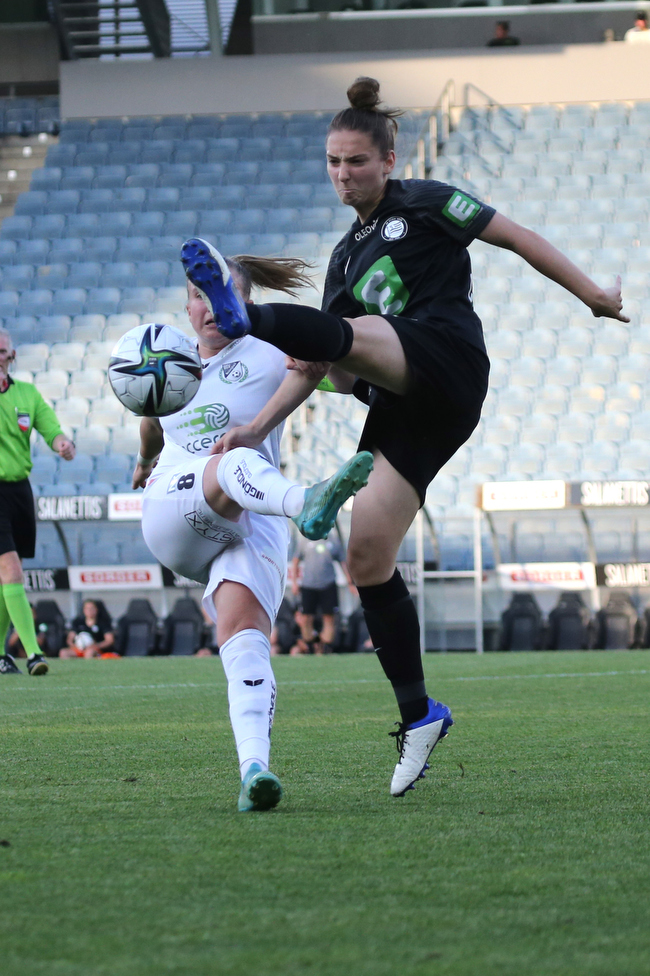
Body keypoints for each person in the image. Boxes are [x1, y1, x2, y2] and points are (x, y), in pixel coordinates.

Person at [180, 76, 628, 799]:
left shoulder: (424, 201)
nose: (342, 174)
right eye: (332, 162)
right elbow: (321, 359)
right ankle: (419, 714)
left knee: (361, 334)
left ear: (389, 160)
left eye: (356, 161)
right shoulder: (342, 259)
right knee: (366, 554)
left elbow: (518, 239)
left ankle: (247, 318)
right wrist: (255, 429)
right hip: (410, 402)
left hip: (447, 358)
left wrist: (594, 297)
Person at [133, 255, 372, 812]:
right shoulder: (171, 358)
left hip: (248, 519)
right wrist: (143, 463)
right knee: (235, 455)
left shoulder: (268, 350)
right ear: (188, 303)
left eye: (222, 297)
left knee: (246, 644)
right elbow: (149, 418)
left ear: (244, 304)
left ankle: (254, 771)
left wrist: (321, 361)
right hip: (173, 511)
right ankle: (305, 502)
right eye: (199, 295)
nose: (209, 307)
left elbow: (347, 375)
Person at [0, 327, 76, 677]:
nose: (0, 356)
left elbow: (50, 428)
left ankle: (1, 655)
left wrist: (62, 443)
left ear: (11, 357)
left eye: (3, 351)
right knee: (11, 568)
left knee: (8, 575)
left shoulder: (27, 394)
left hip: (19, 490)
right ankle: (32, 652)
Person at [291, 530, 355, 653]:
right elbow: (295, 561)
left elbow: (343, 562)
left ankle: (325, 648)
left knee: (329, 618)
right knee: (306, 618)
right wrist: (294, 582)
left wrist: (350, 582)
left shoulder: (333, 540)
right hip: (308, 585)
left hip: (328, 584)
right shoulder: (305, 539)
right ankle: (312, 645)